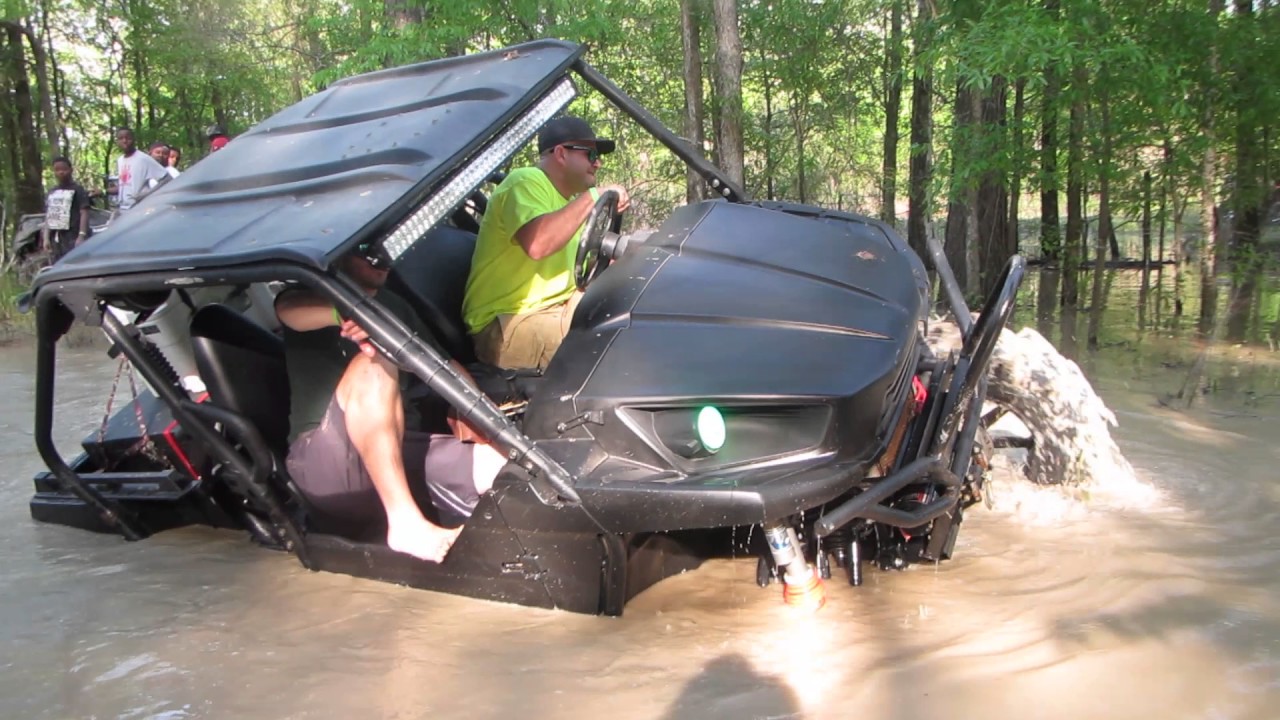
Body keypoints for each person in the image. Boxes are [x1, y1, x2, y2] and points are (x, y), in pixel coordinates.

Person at [276, 244, 506, 562]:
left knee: (504, 469)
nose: (381, 258)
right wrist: (341, 312)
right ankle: (407, 526)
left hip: (395, 449)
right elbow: (291, 314)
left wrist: (488, 422)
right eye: (366, 249)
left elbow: (444, 367)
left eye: (382, 247)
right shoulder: (306, 294)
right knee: (373, 360)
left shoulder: (395, 305)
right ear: (341, 254)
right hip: (325, 463)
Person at [461, 116, 631, 370]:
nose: (598, 163)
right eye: (591, 154)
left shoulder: (566, 205)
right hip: (508, 324)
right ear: (561, 154)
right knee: (614, 342)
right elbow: (539, 243)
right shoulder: (525, 181)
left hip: (555, 309)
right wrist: (594, 196)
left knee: (633, 309)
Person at [40, 156, 92, 262]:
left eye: (64, 169)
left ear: (70, 170)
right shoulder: (52, 192)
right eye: (57, 170)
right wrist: (46, 238)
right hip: (57, 237)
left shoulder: (78, 190)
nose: (61, 172)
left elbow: (84, 212)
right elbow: (49, 216)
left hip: (74, 235)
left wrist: (81, 235)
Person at [114, 127, 169, 210]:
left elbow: (167, 179)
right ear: (117, 141)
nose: (124, 141)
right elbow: (125, 185)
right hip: (123, 208)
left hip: (138, 208)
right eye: (121, 138)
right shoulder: (120, 160)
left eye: (128, 138)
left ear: (133, 140)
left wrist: (147, 194)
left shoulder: (143, 158)